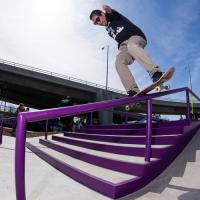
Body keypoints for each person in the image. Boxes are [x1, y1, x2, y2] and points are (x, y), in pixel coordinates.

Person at [90, 5, 164, 96]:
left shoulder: (112, 16)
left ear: (102, 14)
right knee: (119, 62)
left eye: (98, 19)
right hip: (124, 46)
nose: (98, 23)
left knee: (131, 46)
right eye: (95, 23)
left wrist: (108, 10)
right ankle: (133, 90)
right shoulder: (108, 30)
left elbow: (111, 12)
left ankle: (156, 72)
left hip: (135, 37)